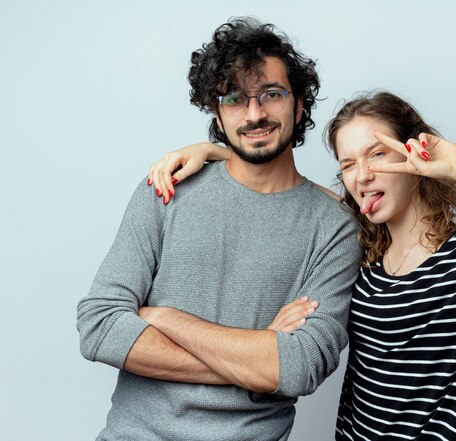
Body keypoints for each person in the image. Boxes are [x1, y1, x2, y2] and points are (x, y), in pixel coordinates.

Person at [147, 91, 456, 440]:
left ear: (416, 156)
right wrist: (216, 151)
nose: (361, 176)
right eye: (348, 165)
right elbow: (294, 189)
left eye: (376, 154)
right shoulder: (361, 252)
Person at [76, 18, 362, 441]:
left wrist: (167, 319)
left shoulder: (335, 228)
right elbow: (99, 327)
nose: (254, 113)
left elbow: (300, 367)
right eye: (233, 98)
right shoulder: (166, 189)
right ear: (217, 112)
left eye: (271, 94)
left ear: (299, 104)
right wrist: (256, 356)